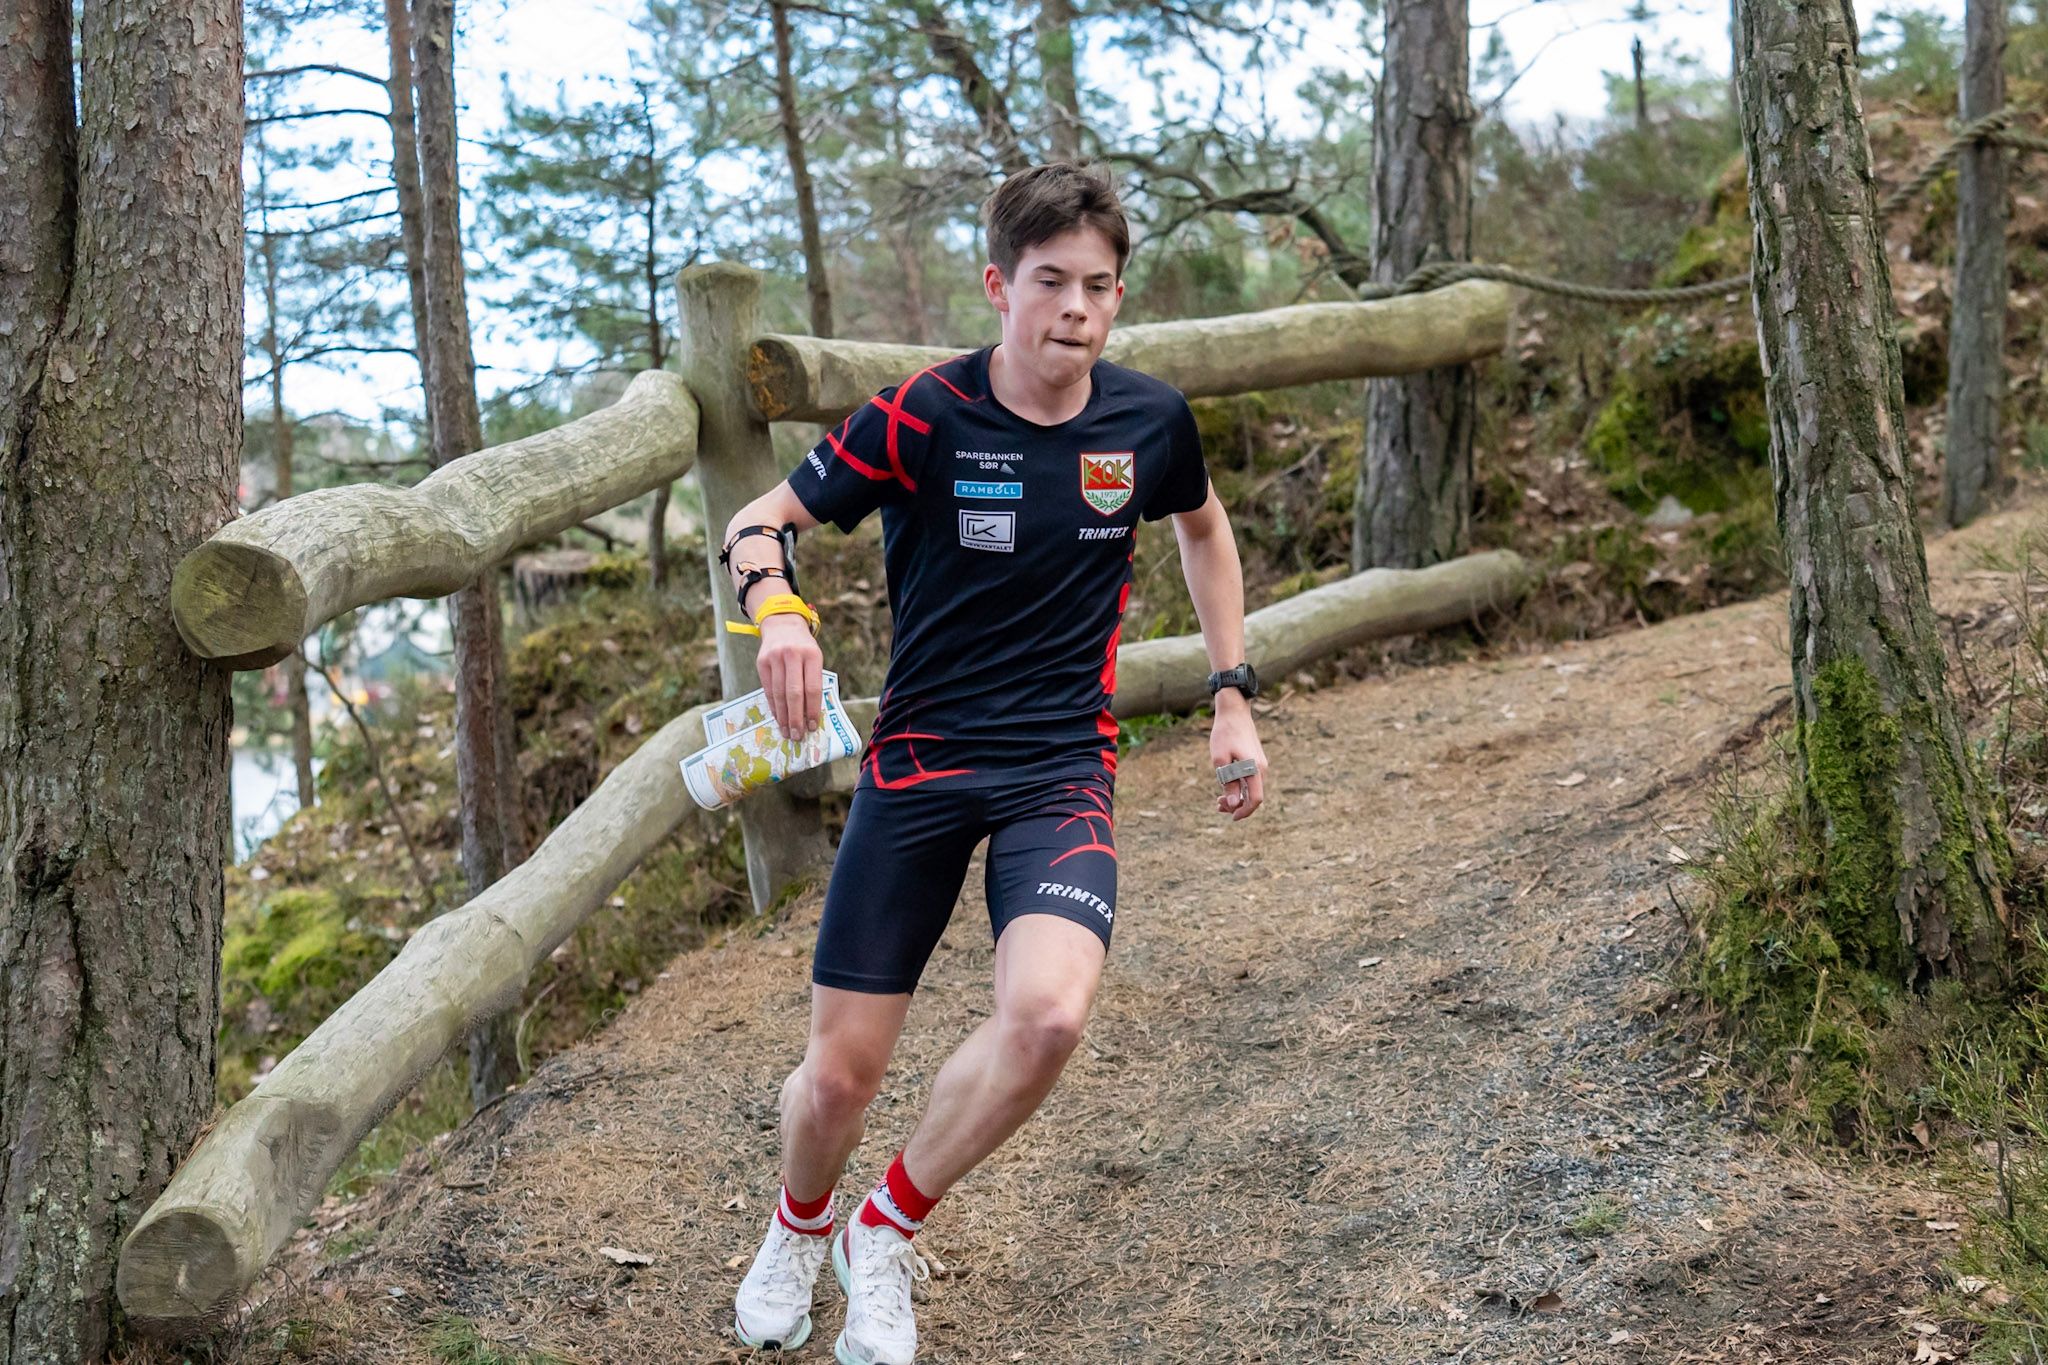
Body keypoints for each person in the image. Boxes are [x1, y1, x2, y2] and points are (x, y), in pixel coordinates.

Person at [722, 161, 1267, 1364]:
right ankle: (797, 1224)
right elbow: (755, 523)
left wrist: (1229, 691)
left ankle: (881, 1228)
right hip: (920, 766)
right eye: (1050, 281)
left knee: (1049, 1019)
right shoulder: (920, 415)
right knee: (837, 1081)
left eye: (1099, 286)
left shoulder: (1147, 421)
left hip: (1059, 768)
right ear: (997, 286)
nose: (1076, 308)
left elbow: (1202, 528)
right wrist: (781, 615)